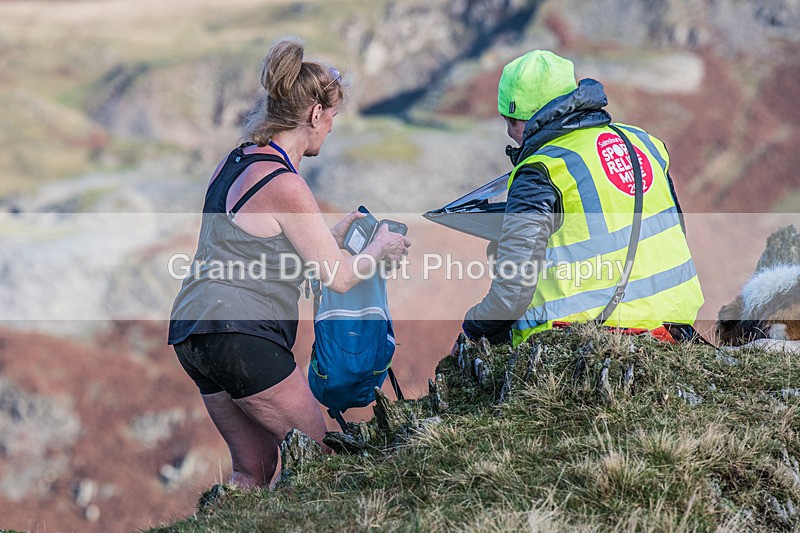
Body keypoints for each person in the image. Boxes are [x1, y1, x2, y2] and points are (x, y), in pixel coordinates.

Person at [168, 38, 411, 488]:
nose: (332, 127)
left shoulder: (237, 161)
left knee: (254, 467)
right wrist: (380, 247)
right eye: (332, 116)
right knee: (321, 457)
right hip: (240, 334)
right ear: (315, 114)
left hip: (193, 333)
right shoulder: (286, 183)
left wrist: (330, 238)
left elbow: (249, 251)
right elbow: (338, 278)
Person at [457, 50, 704, 349]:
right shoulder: (644, 142)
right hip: (673, 325)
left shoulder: (541, 168)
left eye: (511, 121)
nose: (510, 133)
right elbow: (673, 231)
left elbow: (512, 293)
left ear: (531, 117)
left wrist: (473, 327)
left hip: (581, 335)